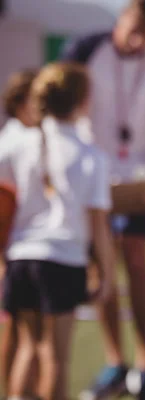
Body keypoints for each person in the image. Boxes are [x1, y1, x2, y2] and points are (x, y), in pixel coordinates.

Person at [60, 0, 145, 397]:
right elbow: (60, 113)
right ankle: (116, 362)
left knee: (135, 257)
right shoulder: (83, 50)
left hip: (137, 181)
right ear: (124, 13)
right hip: (90, 179)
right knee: (102, 267)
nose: (138, 39)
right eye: (134, 26)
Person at [0, 62, 115, 400]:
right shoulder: (91, 156)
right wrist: (106, 273)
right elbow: (99, 227)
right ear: (82, 102)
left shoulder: (19, 144)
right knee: (55, 357)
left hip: (21, 259)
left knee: (27, 348)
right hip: (62, 262)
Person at [0, 68, 38, 394]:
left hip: (19, 251)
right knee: (28, 336)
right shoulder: (16, 144)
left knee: (21, 331)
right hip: (17, 252)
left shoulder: (21, 139)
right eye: (36, 98)